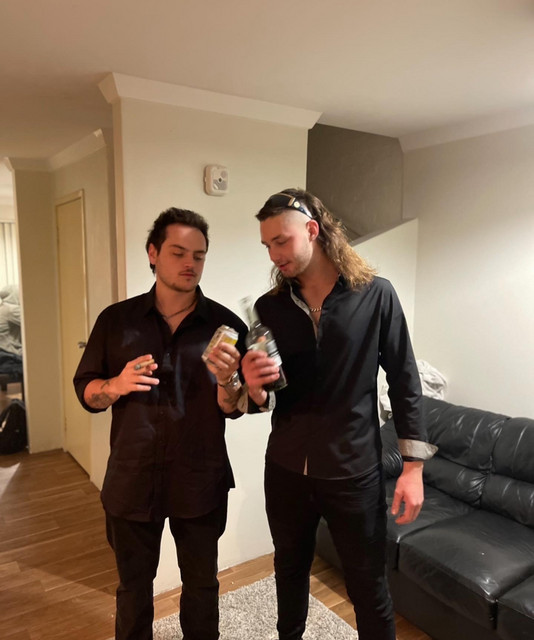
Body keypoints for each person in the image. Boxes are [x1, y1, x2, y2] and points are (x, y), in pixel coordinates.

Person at [240, 189, 437, 640]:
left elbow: (405, 380)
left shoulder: (376, 295)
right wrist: (253, 385)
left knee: (368, 587)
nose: (274, 254)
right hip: (286, 468)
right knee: (289, 571)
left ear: (312, 230)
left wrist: (413, 467)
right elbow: (269, 397)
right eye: (267, 245)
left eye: (281, 241)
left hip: (354, 470)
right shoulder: (270, 308)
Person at [73, 207, 247, 640]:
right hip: (132, 479)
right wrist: (115, 385)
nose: (190, 263)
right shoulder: (116, 321)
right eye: (178, 252)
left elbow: (236, 407)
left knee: (202, 588)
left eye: (199, 256)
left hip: (200, 479)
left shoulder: (227, 327)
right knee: (133, 591)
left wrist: (229, 382)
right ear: (153, 253)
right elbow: (86, 392)